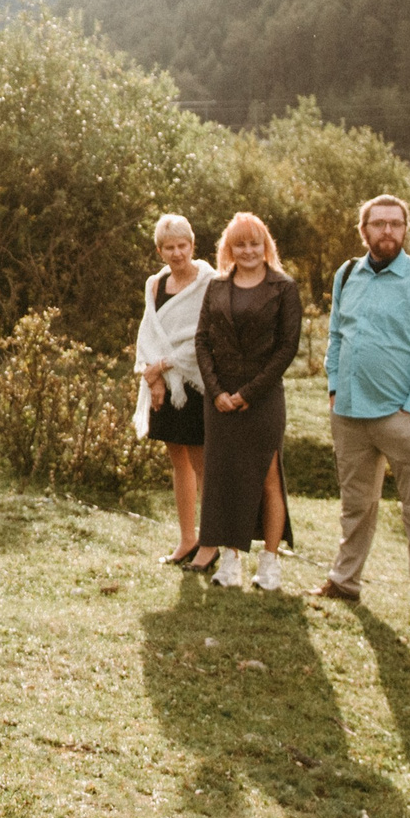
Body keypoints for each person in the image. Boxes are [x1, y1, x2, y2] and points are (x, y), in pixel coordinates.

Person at [317, 194, 410, 631]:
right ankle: (344, 581)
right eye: (379, 223)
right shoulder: (347, 275)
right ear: (364, 231)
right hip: (350, 414)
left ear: (405, 229)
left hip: (404, 418)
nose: (388, 231)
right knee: (356, 505)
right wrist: (335, 387)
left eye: (396, 223)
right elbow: (336, 335)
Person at [195, 212, 304, 589]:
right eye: (239, 244)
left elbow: (287, 347)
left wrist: (248, 393)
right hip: (219, 398)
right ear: (229, 248)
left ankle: (270, 563)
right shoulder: (216, 285)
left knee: (268, 477)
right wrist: (216, 391)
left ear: (265, 245)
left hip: (263, 396)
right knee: (224, 477)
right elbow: (202, 340)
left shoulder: (284, 288)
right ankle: (230, 562)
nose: (248, 251)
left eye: (254, 243)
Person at [133, 214, 213, 568]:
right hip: (164, 386)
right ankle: (187, 539)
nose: (177, 253)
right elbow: (148, 334)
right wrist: (153, 377)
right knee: (177, 460)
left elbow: (203, 339)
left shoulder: (209, 282)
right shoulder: (155, 284)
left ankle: (211, 541)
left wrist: (161, 366)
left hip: (194, 381)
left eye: (183, 246)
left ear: (192, 246)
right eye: (169, 247)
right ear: (159, 251)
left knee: (201, 463)